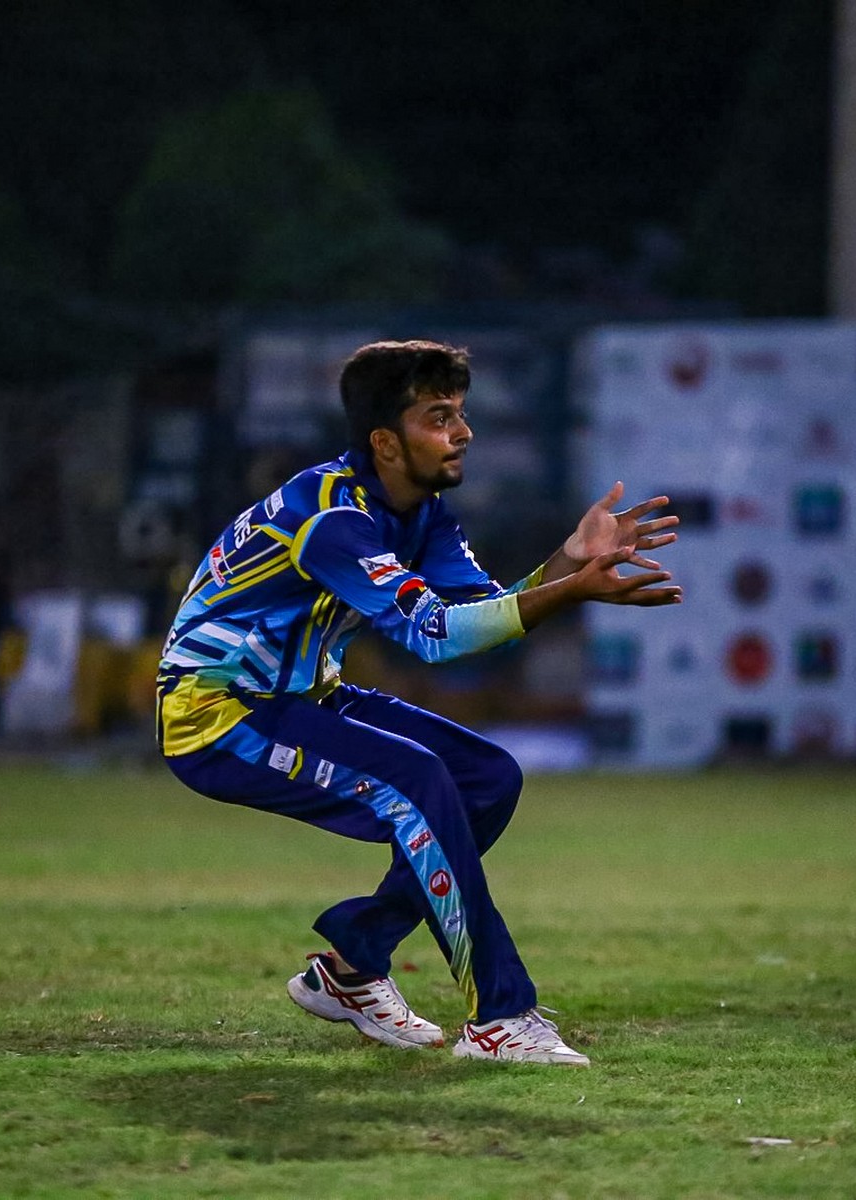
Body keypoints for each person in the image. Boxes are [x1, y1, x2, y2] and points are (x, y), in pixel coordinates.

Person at [157, 340, 682, 1067]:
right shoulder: (332, 519)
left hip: (302, 696)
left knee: (486, 779)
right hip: (217, 715)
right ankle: (499, 1018)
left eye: (460, 413)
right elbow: (434, 637)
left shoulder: (421, 512)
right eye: (439, 417)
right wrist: (571, 591)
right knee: (417, 780)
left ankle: (352, 967)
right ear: (385, 442)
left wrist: (569, 563)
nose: (462, 432)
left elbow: (478, 618)